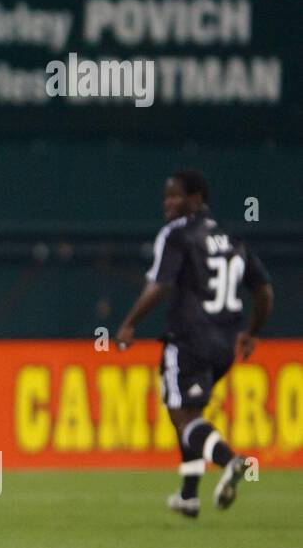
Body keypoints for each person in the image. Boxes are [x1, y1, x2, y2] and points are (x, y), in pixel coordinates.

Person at [115, 170, 273, 517]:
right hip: (224, 345)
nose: (168, 203)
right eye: (166, 197)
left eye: (176, 196)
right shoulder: (233, 236)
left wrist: (129, 323)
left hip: (188, 340)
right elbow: (263, 290)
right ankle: (189, 495)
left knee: (184, 420)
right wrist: (253, 332)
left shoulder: (177, 235)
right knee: (190, 414)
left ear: (197, 199)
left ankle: (229, 460)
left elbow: (160, 284)